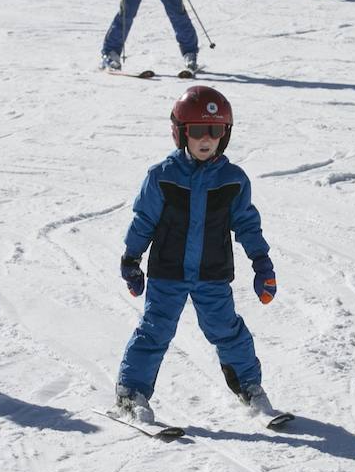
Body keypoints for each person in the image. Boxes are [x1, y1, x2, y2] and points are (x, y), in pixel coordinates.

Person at [112, 86, 278, 424]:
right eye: (198, 131)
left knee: (228, 331)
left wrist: (262, 264)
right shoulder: (162, 176)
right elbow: (144, 220)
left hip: (211, 274)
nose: (207, 139)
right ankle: (131, 393)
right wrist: (131, 259)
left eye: (215, 131)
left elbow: (247, 225)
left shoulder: (233, 180)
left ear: (225, 135)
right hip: (168, 273)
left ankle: (250, 388)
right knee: (155, 331)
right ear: (181, 133)